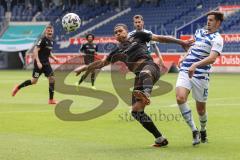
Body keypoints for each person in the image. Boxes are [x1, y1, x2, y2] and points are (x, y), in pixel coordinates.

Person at [74, 23, 191, 147]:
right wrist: (85, 68)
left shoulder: (138, 35)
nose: (118, 33)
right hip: (139, 77)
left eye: (120, 31)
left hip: (150, 68)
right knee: (136, 111)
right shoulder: (117, 51)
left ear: (126, 31)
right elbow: (102, 63)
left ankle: (145, 93)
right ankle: (160, 139)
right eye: (116, 32)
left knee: (145, 71)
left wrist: (181, 42)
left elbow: (160, 38)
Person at [176, 11, 224, 145]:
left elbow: (212, 58)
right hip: (186, 69)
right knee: (180, 98)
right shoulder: (198, 32)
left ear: (218, 22)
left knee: (201, 109)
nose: (208, 22)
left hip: (201, 75)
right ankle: (194, 130)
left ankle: (203, 130)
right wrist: (185, 58)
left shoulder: (218, 38)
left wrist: (195, 65)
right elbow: (192, 48)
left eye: (211, 20)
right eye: (207, 19)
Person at [12, 25, 59, 104]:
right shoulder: (42, 40)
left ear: (53, 32)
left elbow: (48, 51)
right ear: (45, 31)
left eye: (51, 31)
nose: (50, 32)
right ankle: (18, 87)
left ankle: (51, 100)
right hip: (39, 64)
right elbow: (35, 50)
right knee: (34, 81)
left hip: (46, 64)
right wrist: (38, 62)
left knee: (52, 79)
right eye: (48, 31)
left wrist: (54, 58)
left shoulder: (52, 41)